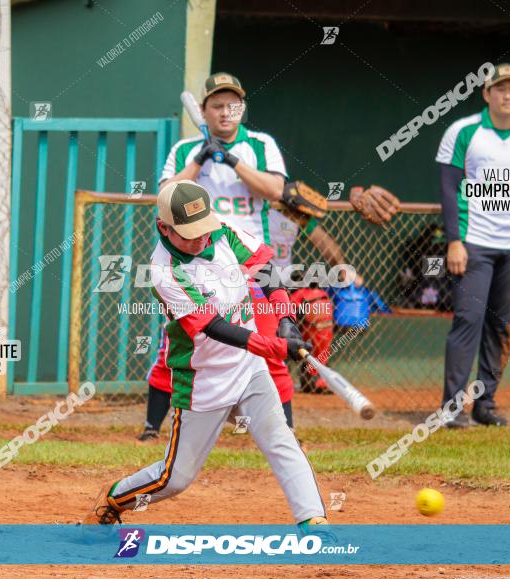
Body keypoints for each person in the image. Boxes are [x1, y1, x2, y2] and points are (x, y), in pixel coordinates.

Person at [137, 72, 398, 440]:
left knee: (273, 350)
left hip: (250, 263)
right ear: (205, 110)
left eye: (233, 105)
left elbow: (277, 189)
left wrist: (231, 161)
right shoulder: (184, 149)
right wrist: (200, 159)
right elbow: (167, 196)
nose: (225, 112)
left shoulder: (260, 145)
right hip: (197, 262)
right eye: (216, 105)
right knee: (178, 347)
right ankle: (152, 427)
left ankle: (285, 431)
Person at [86, 180, 327, 529]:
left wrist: (286, 318)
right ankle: (113, 500)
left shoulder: (221, 232)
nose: (200, 238)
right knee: (176, 478)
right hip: (204, 381)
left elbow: (265, 271)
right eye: (189, 233)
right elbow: (214, 328)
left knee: (282, 439)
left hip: (248, 370)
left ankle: (314, 525)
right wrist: (275, 346)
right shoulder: (164, 271)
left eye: (204, 229)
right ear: (163, 228)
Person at [435, 63, 510, 428]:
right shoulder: (463, 131)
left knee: (500, 326)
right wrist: (454, 241)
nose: (508, 95)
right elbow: (449, 188)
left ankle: (486, 405)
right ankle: (452, 407)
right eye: (500, 88)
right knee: (468, 320)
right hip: (474, 243)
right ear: (486, 94)